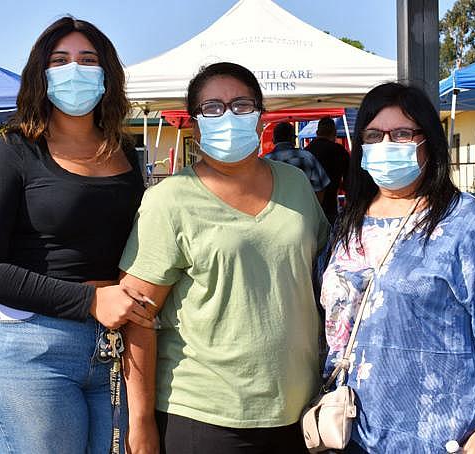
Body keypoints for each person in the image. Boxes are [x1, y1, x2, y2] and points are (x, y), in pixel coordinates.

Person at [0, 17, 151, 454]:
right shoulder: (14, 151)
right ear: (40, 75)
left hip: (113, 346)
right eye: (60, 60)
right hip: (31, 349)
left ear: (107, 75)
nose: (75, 70)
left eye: (88, 60)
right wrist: (90, 301)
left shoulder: (124, 151)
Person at [118, 62, 329, 454]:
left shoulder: (296, 185)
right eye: (212, 107)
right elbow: (137, 317)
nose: (228, 115)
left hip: (298, 411)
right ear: (195, 126)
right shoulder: (169, 201)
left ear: (262, 119)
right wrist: (141, 423)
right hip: (205, 413)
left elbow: (325, 277)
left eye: (241, 105)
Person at [320, 82, 475, 453]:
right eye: (374, 134)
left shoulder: (463, 220)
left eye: (401, 134)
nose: (386, 145)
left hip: (439, 430)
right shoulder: (349, 221)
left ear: (427, 141)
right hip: (354, 428)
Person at [264, 121, 329, 201]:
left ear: (273, 140)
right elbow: (320, 188)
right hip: (303, 210)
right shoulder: (307, 157)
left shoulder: (266, 161)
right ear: (293, 139)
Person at [305, 116, 350, 224]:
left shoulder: (306, 152)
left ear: (317, 132)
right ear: (334, 133)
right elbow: (349, 182)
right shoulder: (339, 151)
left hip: (308, 209)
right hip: (330, 208)